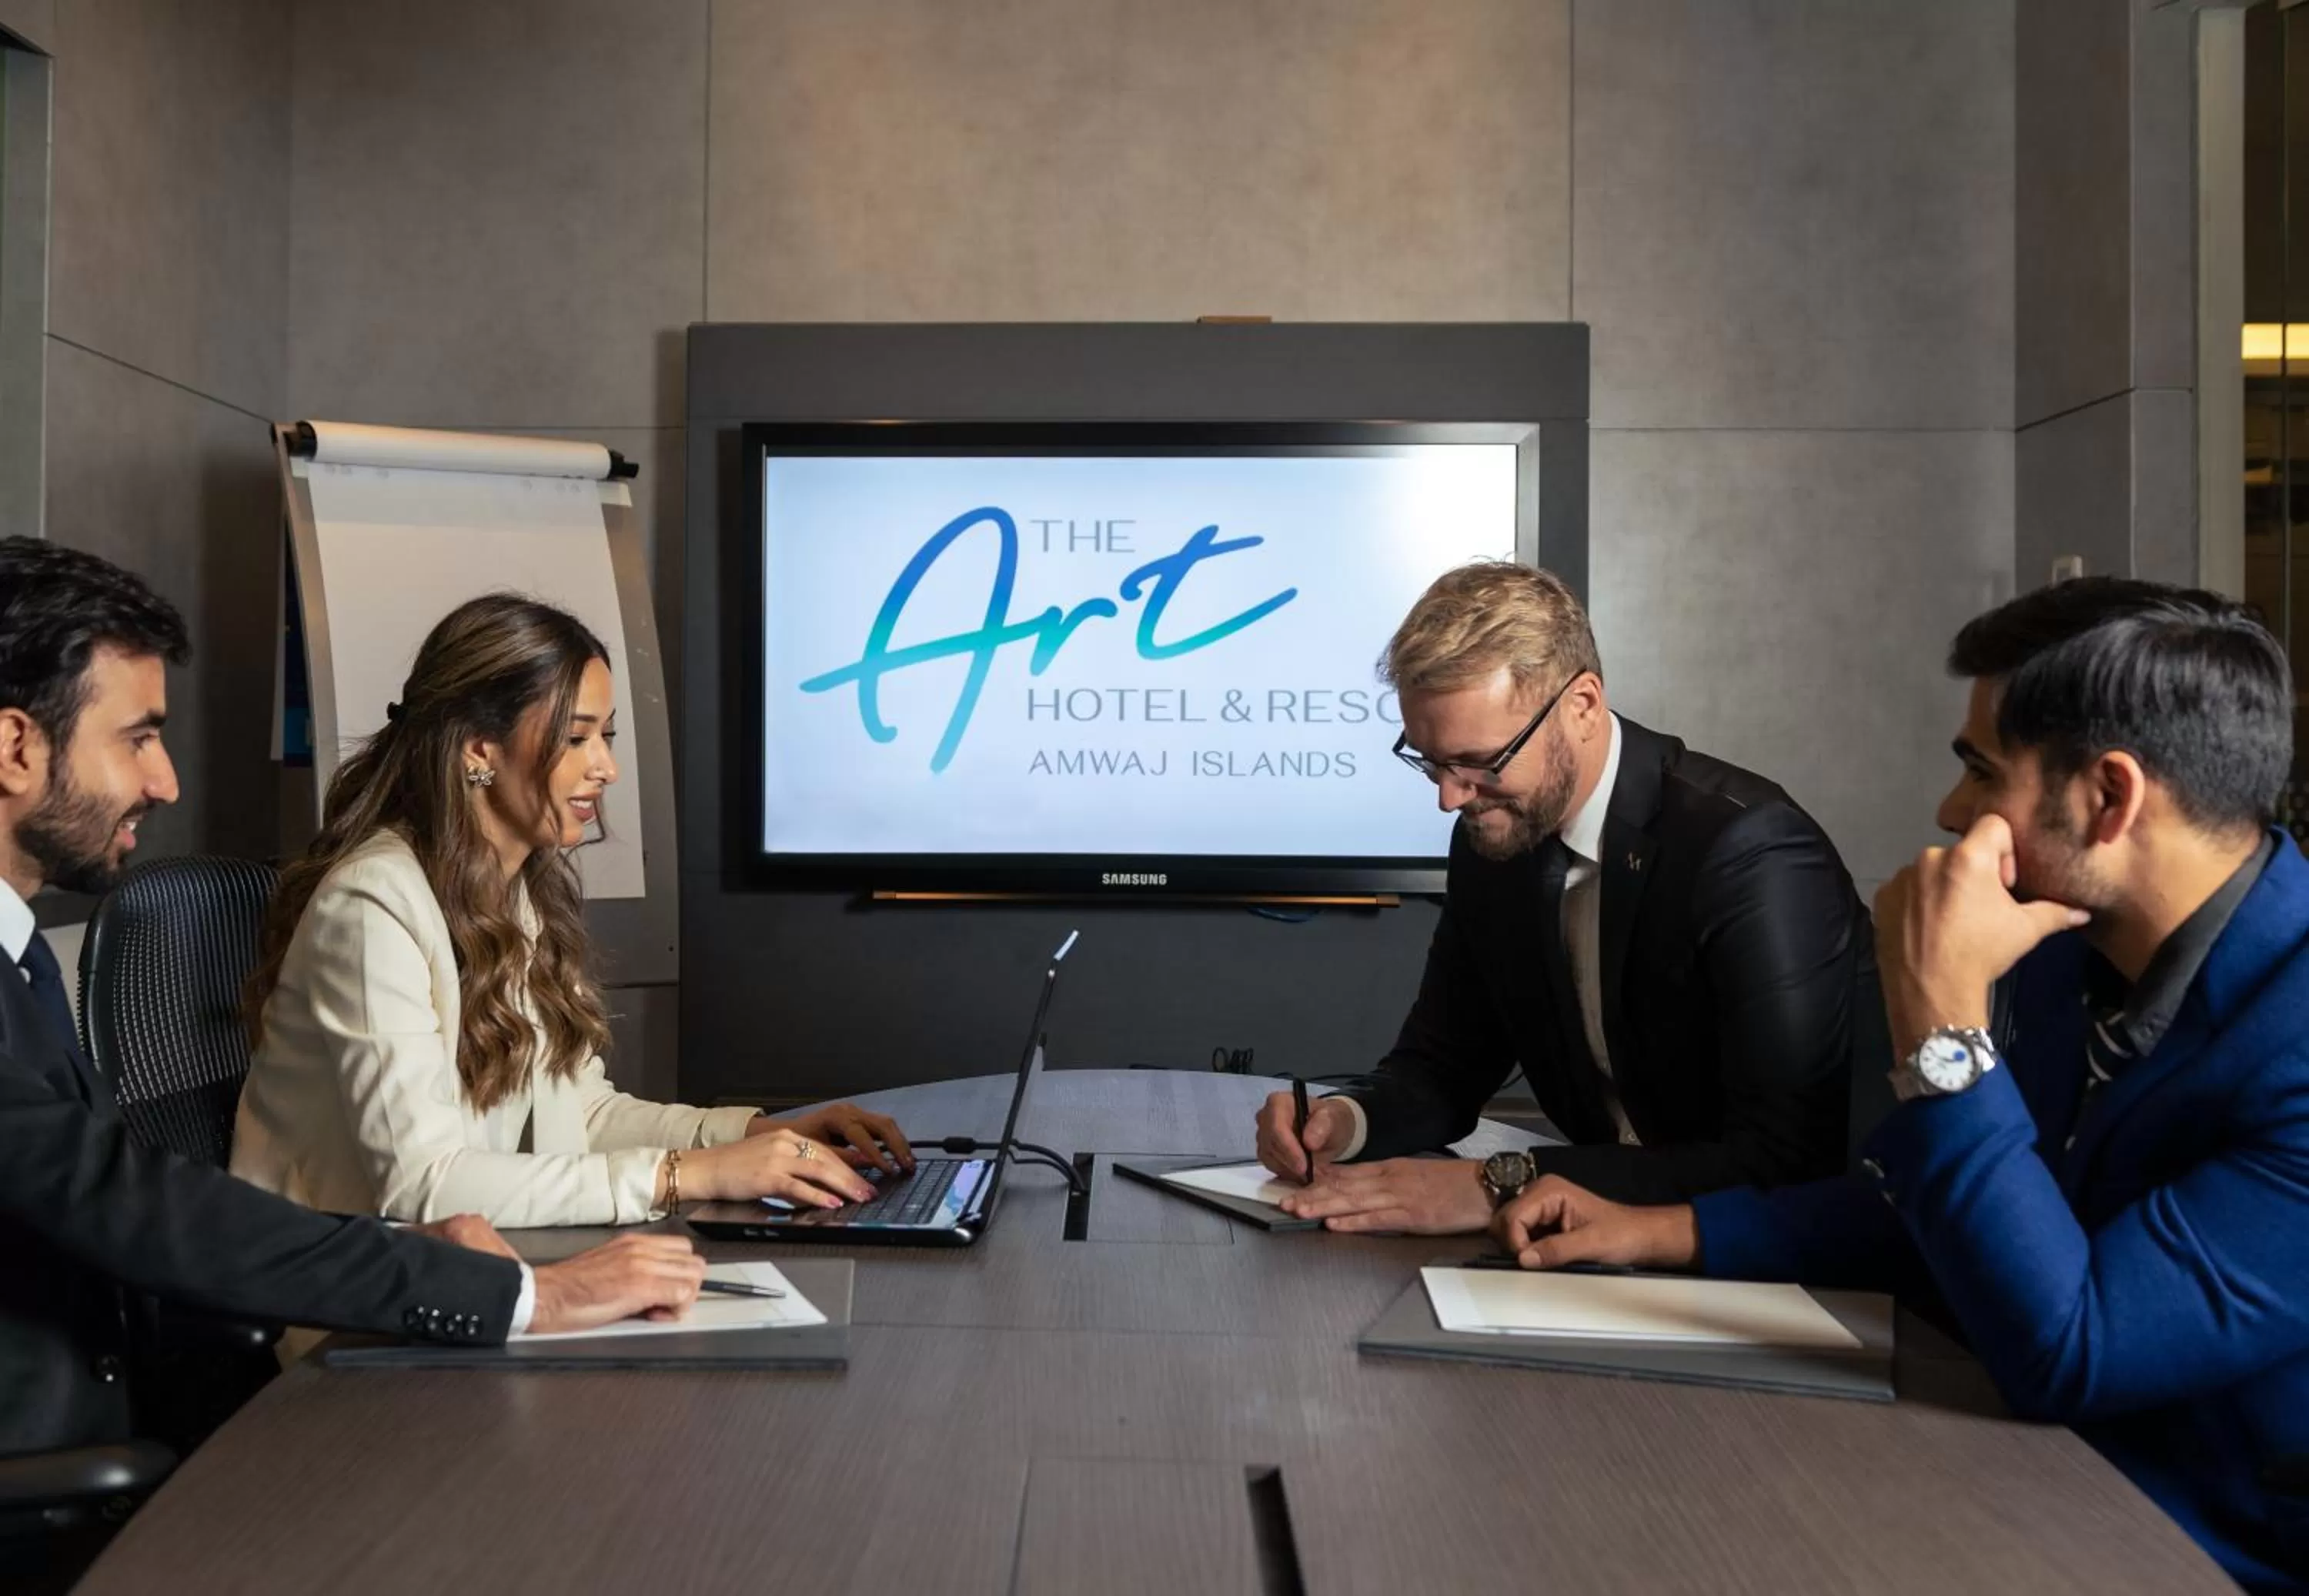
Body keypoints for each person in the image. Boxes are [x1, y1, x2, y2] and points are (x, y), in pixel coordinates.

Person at [1494, 578, 2309, 1594]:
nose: (1950, 811)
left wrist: (1942, 1028)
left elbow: (2074, 1349)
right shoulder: (2073, 953)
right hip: (2013, 1468)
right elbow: (1960, 1215)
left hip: (2188, 1545)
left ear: (2109, 797)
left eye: (1981, 770)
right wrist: (1660, 1231)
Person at [0, 536, 709, 1464]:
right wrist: (524, 1293)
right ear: (16, 745)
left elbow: (123, 1218)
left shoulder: (21, 961)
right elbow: (134, 1204)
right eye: (138, 738)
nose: (166, 781)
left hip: (159, 1410)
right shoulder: (377, 895)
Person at [234, 593, 907, 1229]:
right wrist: (685, 1175)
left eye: (605, 735)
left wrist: (758, 1137)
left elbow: (579, 1113)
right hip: (348, 1312)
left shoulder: (509, 890)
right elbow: (425, 1185)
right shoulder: (372, 908)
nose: (608, 768)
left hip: (458, 1275)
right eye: (576, 737)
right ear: (478, 749)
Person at [1254, 561, 1880, 1232]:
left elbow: (1783, 1159)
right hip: (1599, 1251)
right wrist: (1342, 1121)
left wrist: (1495, 1183)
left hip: (1790, 1269)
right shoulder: (1492, 839)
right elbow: (1442, 1071)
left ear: (1581, 706)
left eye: (1481, 762)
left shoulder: (1748, 850)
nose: (1449, 797)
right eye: (1430, 760)